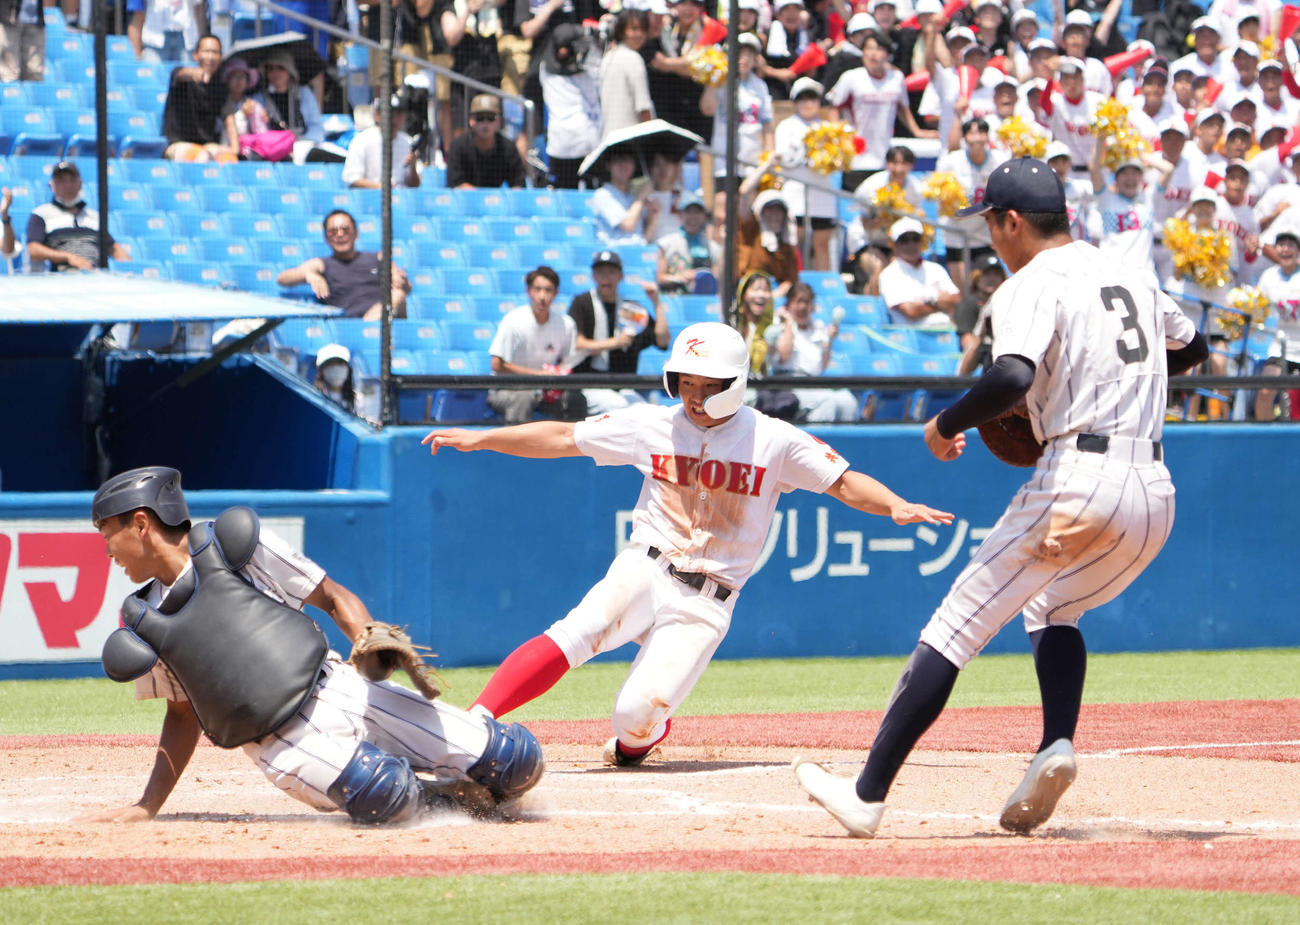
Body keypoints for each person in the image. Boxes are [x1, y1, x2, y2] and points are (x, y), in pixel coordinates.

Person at [793, 156, 1209, 839]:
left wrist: (945, 422)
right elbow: (1192, 347)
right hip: (1155, 491)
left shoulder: (1028, 283)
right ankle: (1056, 744)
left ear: (1013, 221)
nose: (990, 235)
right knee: (1054, 604)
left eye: (990, 221)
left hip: (1081, 474)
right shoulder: (1126, 273)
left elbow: (1013, 373)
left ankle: (866, 794)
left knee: (955, 623)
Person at [422, 321, 953, 767]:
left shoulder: (773, 438)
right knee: (579, 630)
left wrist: (894, 505)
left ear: (737, 384)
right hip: (647, 564)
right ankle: (475, 721)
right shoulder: (652, 423)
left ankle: (641, 739)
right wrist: (483, 437)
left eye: (709, 386)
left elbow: (843, 481)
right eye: (685, 384)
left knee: (634, 716)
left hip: (708, 598)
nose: (695, 397)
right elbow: (565, 437)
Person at [83, 466, 543, 825]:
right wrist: (149, 804)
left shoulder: (232, 544)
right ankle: (443, 795)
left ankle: (457, 777)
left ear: (140, 523)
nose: (108, 553)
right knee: (382, 791)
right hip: (279, 742)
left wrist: (365, 634)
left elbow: (332, 596)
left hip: (339, 687)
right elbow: (182, 713)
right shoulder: (144, 622)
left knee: (516, 760)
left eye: (108, 536)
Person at [828, 28, 933, 191]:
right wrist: (838, 138)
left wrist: (917, 131)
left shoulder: (896, 78)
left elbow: (902, 109)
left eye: (878, 49)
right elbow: (834, 107)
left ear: (887, 55)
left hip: (884, 159)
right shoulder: (851, 78)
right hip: (856, 159)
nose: (873, 54)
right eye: (868, 49)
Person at [569, 249, 671, 413]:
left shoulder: (631, 309)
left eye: (611, 272)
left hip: (624, 387)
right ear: (593, 276)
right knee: (619, 407)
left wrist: (656, 302)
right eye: (600, 272)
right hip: (589, 385)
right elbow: (578, 344)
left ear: (620, 276)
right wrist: (615, 343)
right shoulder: (582, 303)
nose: (606, 277)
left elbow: (662, 340)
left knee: (646, 412)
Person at [487, 264, 586, 423]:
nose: (542, 296)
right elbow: (497, 364)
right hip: (507, 388)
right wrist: (537, 375)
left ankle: (570, 446)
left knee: (576, 399)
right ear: (528, 291)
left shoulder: (566, 324)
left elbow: (566, 361)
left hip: (545, 389)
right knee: (524, 397)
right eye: (537, 289)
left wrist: (556, 375)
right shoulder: (513, 321)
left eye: (548, 290)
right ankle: (516, 447)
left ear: (556, 293)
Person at [276, 210, 411, 321]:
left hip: (382, 321)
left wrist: (401, 282)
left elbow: (404, 286)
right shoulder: (323, 264)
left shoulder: (378, 258)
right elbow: (282, 279)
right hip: (347, 326)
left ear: (356, 234)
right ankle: (366, 328)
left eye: (345, 229)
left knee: (399, 294)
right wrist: (308, 275)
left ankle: (371, 326)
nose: (340, 235)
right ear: (326, 238)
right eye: (333, 231)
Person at [765, 282, 860, 422]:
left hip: (814, 382)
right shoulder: (779, 324)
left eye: (807, 302)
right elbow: (784, 357)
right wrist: (789, 324)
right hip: (789, 384)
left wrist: (830, 341)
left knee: (848, 402)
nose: (802, 307)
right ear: (789, 304)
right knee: (827, 403)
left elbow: (821, 367)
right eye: (798, 302)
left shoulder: (818, 326)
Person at [774, 76, 840, 272]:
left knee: (822, 243)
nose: (808, 103)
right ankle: (793, 280)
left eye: (813, 98)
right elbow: (784, 158)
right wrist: (809, 157)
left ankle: (824, 287)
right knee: (795, 240)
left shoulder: (828, 128)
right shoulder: (786, 126)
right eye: (803, 98)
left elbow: (837, 158)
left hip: (822, 192)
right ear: (795, 102)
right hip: (795, 191)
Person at [26, 161, 130, 272]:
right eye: (61, 181)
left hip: (95, 275)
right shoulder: (41, 214)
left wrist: (128, 269)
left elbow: (114, 248)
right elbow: (33, 250)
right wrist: (68, 257)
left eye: (72, 180)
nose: (68, 185)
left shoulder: (94, 216)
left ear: (80, 184)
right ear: (52, 185)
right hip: (62, 277)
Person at [538, 22, 602, 190]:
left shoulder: (544, 68)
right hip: (576, 142)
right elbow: (596, 93)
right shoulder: (585, 74)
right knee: (573, 192)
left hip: (572, 142)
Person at [877, 216, 959, 326]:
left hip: (945, 331)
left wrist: (924, 304)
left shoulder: (936, 269)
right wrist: (938, 302)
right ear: (894, 245)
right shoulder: (889, 274)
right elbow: (911, 311)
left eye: (915, 239)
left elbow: (956, 299)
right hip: (912, 337)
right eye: (904, 240)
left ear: (922, 242)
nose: (911, 245)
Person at [252, 48, 329, 165]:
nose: (275, 73)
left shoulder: (304, 93)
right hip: (272, 151)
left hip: (304, 146)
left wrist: (300, 142)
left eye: (280, 68)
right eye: (270, 69)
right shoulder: (258, 99)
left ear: (289, 71)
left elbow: (316, 127)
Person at [1254, 228, 1300, 420]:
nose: (1285, 250)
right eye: (1281, 245)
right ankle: (1264, 440)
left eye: (1290, 245)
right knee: (1265, 393)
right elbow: (1255, 305)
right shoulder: (1268, 276)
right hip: (1279, 347)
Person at [161, 33, 229, 163]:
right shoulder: (180, 77)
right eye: (206, 51)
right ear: (196, 55)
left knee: (228, 159)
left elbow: (229, 117)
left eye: (215, 52)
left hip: (208, 145)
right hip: (178, 144)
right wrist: (196, 73)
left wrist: (234, 149)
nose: (210, 57)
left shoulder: (221, 88)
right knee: (201, 157)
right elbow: (180, 74)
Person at [342, 90, 423, 189]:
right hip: (370, 200)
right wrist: (382, 188)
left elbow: (415, 184)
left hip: (402, 201)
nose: (394, 119)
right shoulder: (361, 141)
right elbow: (352, 180)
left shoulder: (408, 142)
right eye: (390, 113)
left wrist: (412, 167)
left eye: (399, 114)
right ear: (377, 114)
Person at [445, 93, 527, 188]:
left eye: (491, 118)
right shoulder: (458, 147)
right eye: (480, 118)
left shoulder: (508, 148)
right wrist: (481, 197)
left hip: (497, 202)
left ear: (498, 122)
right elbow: (455, 184)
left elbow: (518, 184)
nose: (485, 123)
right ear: (471, 120)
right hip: (466, 201)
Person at [600, 8, 655, 139]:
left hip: (608, 138)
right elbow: (643, 107)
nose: (639, 34)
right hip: (630, 140)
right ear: (622, 30)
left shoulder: (608, 56)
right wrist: (651, 141)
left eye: (643, 29)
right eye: (634, 29)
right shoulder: (634, 58)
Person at [656, 189, 722, 294]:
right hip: (674, 303)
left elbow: (717, 281)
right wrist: (679, 278)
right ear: (680, 215)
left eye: (697, 212)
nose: (693, 217)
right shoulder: (666, 244)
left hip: (701, 303)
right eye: (688, 212)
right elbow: (659, 277)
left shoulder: (713, 248)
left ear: (704, 216)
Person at [591, 150, 661, 246]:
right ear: (608, 165)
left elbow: (644, 239)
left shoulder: (632, 198)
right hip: (615, 254)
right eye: (618, 161)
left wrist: (654, 215)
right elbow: (628, 225)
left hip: (637, 253)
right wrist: (641, 198)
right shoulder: (603, 195)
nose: (623, 165)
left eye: (628, 160)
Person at [127, 0, 200, 63]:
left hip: (187, 40)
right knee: (153, 77)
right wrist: (137, 56)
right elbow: (137, 18)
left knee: (187, 77)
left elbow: (199, 11)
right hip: (154, 41)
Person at [0, 0, 44, 82]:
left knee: (34, 73)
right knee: (10, 73)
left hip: (35, 19)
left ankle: (32, 94)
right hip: (9, 18)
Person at [313, 342, 357, 414]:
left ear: (348, 369)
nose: (336, 369)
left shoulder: (357, 401)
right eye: (331, 364)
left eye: (340, 364)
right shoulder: (314, 398)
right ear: (321, 370)